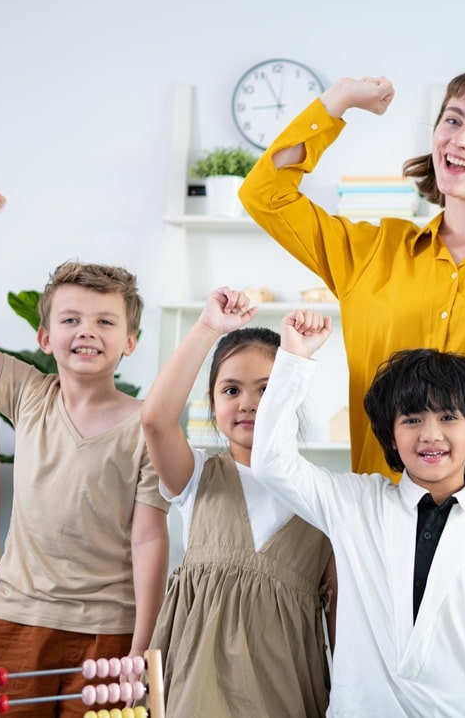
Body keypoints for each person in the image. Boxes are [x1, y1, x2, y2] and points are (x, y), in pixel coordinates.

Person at [239, 70, 465, 480]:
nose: (460, 138)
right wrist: (338, 100)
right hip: (376, 515)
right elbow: (264, 195)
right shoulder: (369, 253)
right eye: (452, 120)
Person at [0, 187, 169, 718]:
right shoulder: (27, 394)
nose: (87, 331)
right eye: (71, 319)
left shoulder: (148, 424)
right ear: (44, 335)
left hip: (110, 630)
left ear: (130, 341)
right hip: (15, 620)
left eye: (106, 321)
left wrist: (141, 648)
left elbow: (149, 536)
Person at [250, 311, 465, 716]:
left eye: (448, 417)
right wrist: (295, 360)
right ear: (391, 434)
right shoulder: (356, 505)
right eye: (412, 419)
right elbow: (270, 463)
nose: (430, 434)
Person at [140, 288, 335, 716]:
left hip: (283, 694)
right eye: (231, 390)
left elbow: (340, 623)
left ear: (290, 395)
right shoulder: (198, 477)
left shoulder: (321, 498)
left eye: (267, 389)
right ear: (212, 402)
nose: (248, 403)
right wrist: (209, 327)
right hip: (196, 691)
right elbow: (155, 419)